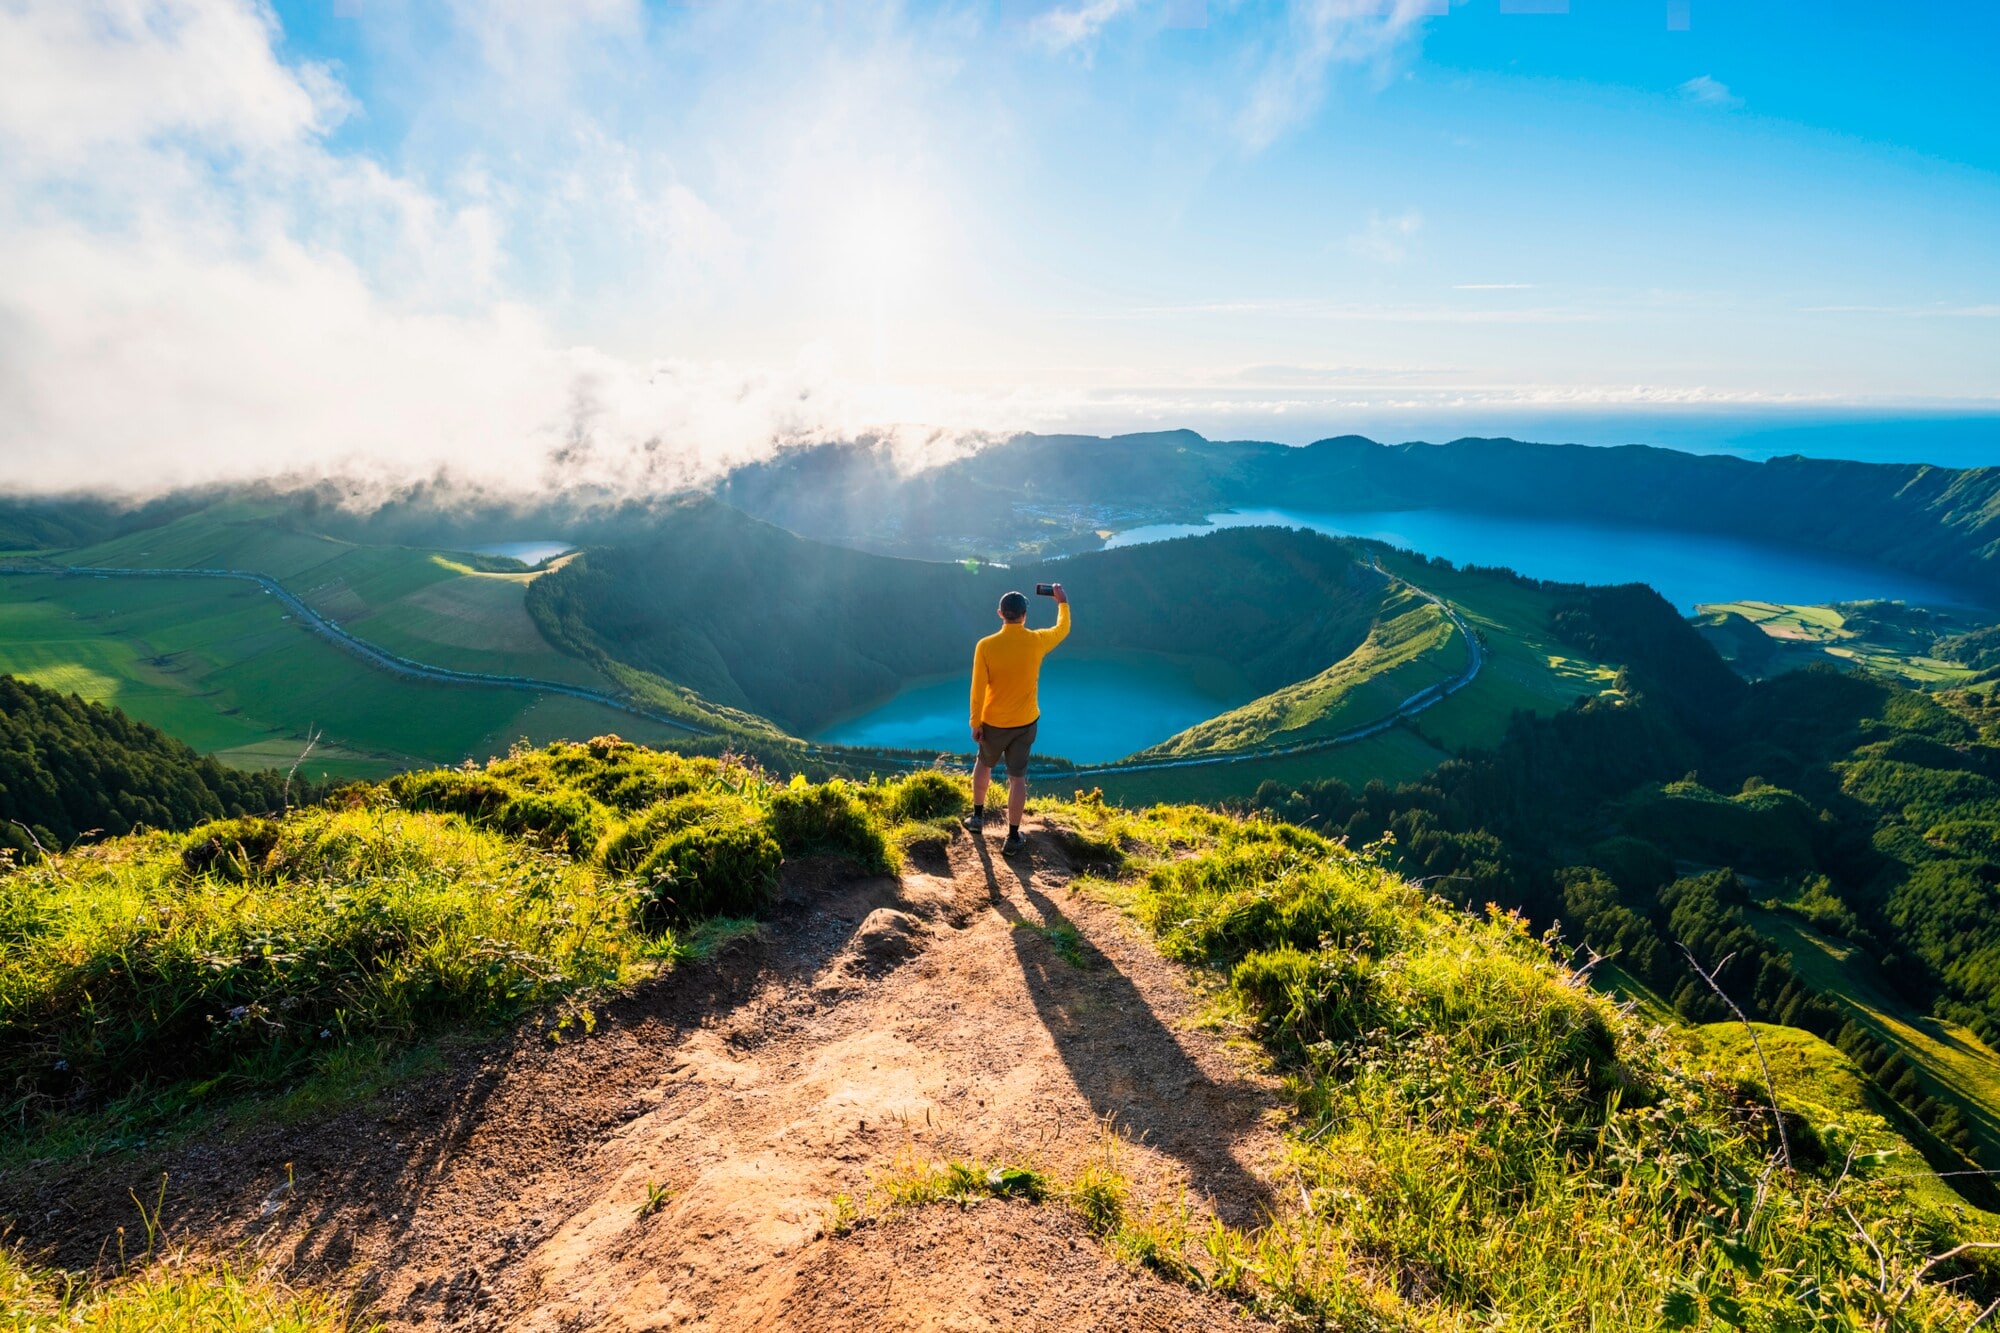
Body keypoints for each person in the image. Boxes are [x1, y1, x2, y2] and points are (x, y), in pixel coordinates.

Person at [965, 583, 1070, 857]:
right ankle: (1012, 837)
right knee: (1018, 779)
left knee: (983, 764)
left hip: (993, 722)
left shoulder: (986, 646)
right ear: (1024, 614)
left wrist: (975, 722)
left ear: (1001, 613)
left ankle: (977, 818)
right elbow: (1062, 630)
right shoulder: (1036, 641)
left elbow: (977, 689)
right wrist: (1062, 602)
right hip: (1025, 723)